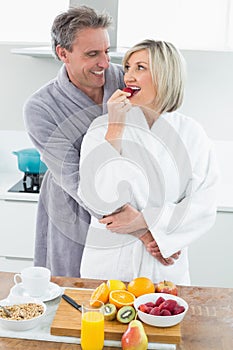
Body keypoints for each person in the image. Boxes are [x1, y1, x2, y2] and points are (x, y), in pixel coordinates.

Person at [78, 39, 219, 284]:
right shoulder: (102, 127)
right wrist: (115, 128)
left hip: (163, 267)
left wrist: (145, 221)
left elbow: (203, 205)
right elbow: (96, 196)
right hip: (108, 266)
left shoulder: (192, 134)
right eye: (127, 68)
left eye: (140, 68)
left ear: (166, 75)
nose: (128, 77)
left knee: (164, 319)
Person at [23, 5, 126, 277]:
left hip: (132, 202)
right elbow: (74, 179)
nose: (105, 63)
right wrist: (133, 224)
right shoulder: (41, 107)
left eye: (106, 51)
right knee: (73, 295)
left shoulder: (127, 81)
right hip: (72, 211)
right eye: (92, 54)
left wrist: (148, 222)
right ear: (62, 53)